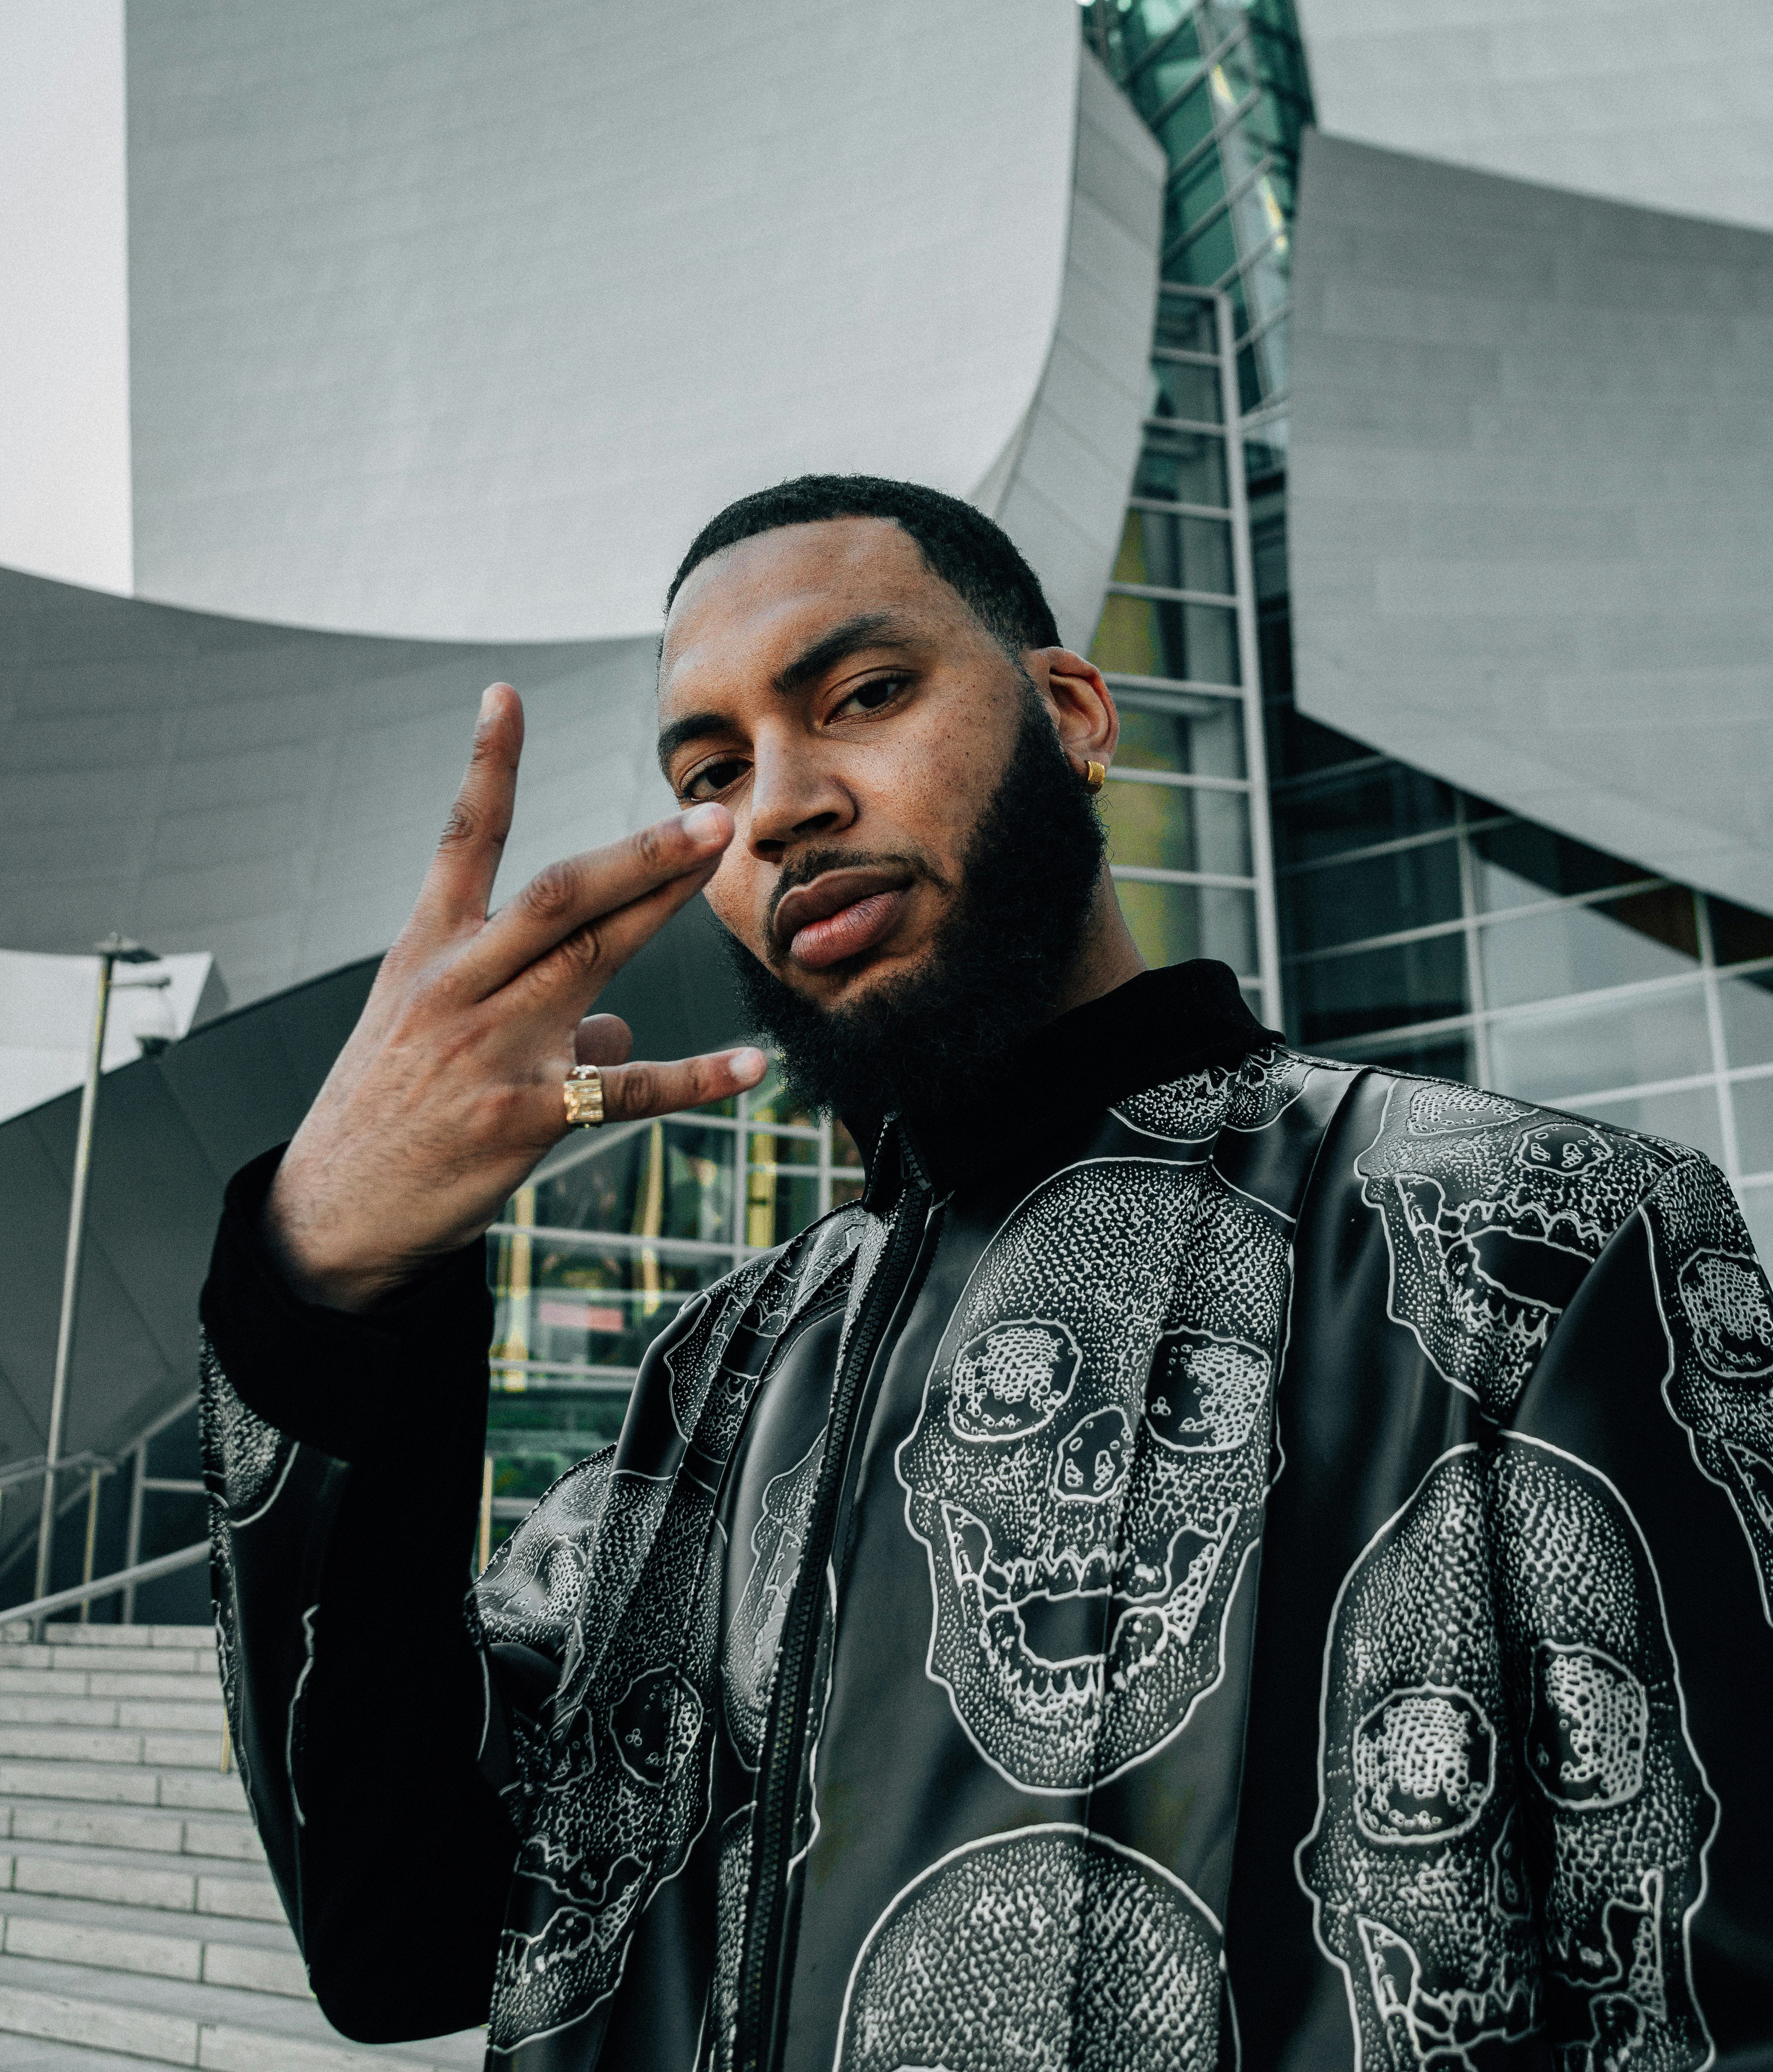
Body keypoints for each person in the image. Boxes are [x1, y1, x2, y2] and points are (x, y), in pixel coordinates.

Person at [199, 475, 1773, 2072]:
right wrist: (326, 1272)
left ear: (1071, 714)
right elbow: (391, 1938)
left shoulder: (1540, 1234)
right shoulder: (713, 1386)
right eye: (712, 769)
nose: (781, 805)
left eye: (864, 697)